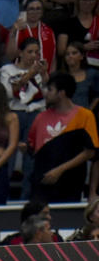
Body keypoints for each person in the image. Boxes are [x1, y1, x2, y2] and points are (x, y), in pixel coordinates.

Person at [27, 73, 99, 202]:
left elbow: (90, 151)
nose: (45, 93)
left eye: (50, 89)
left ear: (61, 93)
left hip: (70, 182)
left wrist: (60, 170)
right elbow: (32, 146)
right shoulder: (40, 117)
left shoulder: (85, 116)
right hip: (42, 182)